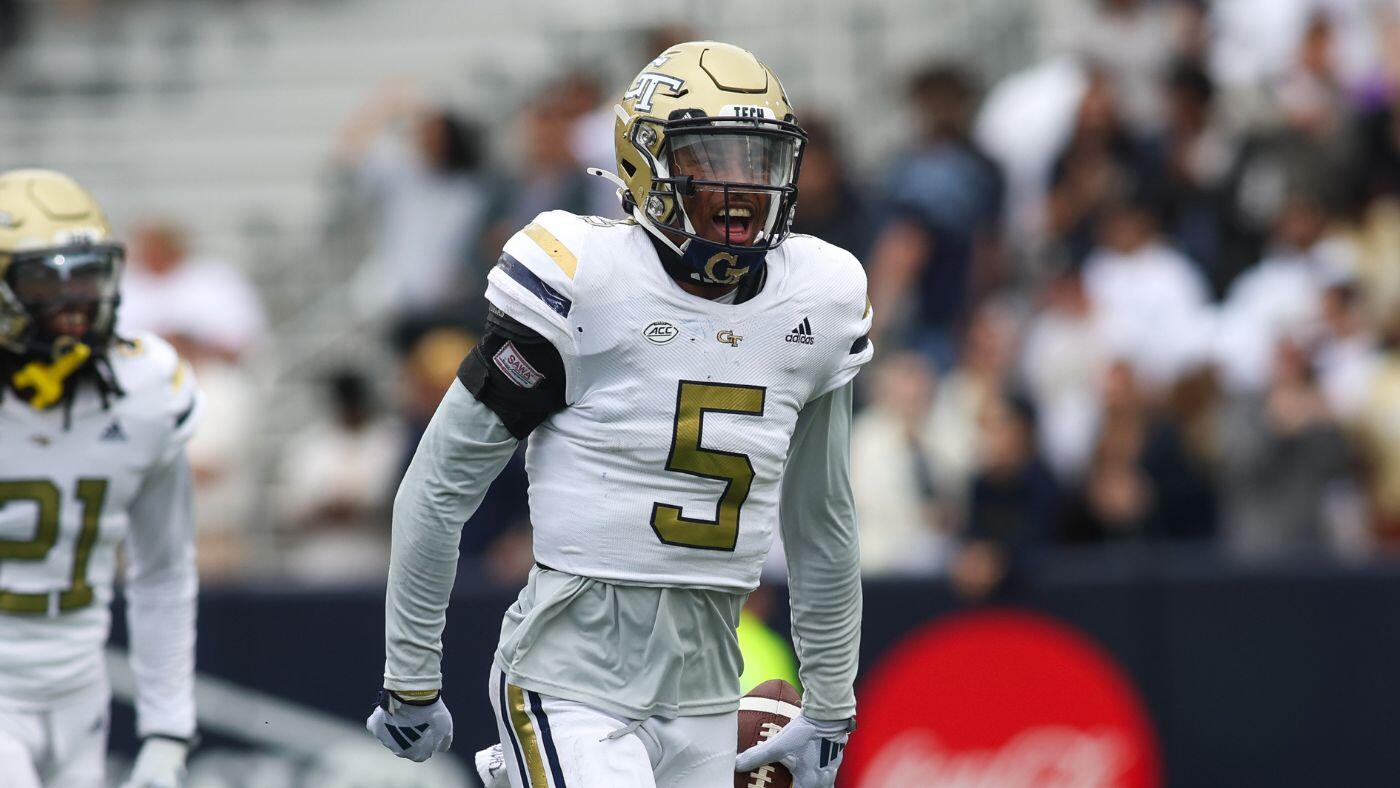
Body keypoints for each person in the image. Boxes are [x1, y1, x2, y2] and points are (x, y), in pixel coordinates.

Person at [366, 42, 870, 788]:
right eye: (712, 158)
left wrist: (830, 706)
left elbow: (822, 519)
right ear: (646, 162)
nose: (740, 185)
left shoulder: (819, 299)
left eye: (757, 159)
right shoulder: (585, 278)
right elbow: (439, 485)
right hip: (570, 677)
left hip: (707, 686)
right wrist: (410, 674)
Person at [0, 170, 201, 787]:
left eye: (85, 275)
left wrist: (167, 730)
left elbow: (163, 570)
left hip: (79, 690)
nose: (74, 301)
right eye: (45, 279)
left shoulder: (148, 389)